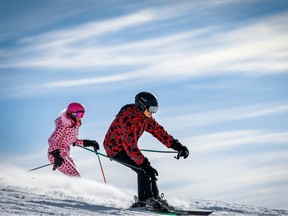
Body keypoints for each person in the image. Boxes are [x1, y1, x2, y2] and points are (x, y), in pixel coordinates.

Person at [103, 92, 189, 209]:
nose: (153, 112)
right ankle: (145, 201)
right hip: (115, 148)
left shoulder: (145, 118)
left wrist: (178, 146)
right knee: (143, 169)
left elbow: (160, 133)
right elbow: (130, 146)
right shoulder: (127, 119)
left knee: (147, 169)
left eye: (156, 109)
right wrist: (144, 164)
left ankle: (155, 198)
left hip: (128, 147)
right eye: (151, 109)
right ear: (142, 106)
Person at [48, 102, 99, 177]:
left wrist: (89, 143)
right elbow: (52, 140)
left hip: (65, 154)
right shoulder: (64, 125)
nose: (81, 117)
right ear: (72, 114)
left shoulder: (74, 126)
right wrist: (56, 155)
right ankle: (73, 188)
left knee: (74, 175)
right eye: (79, 114)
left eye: (83, 115)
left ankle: (68, 188)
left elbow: (74, 141)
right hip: (56, 154)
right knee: (75, 175)